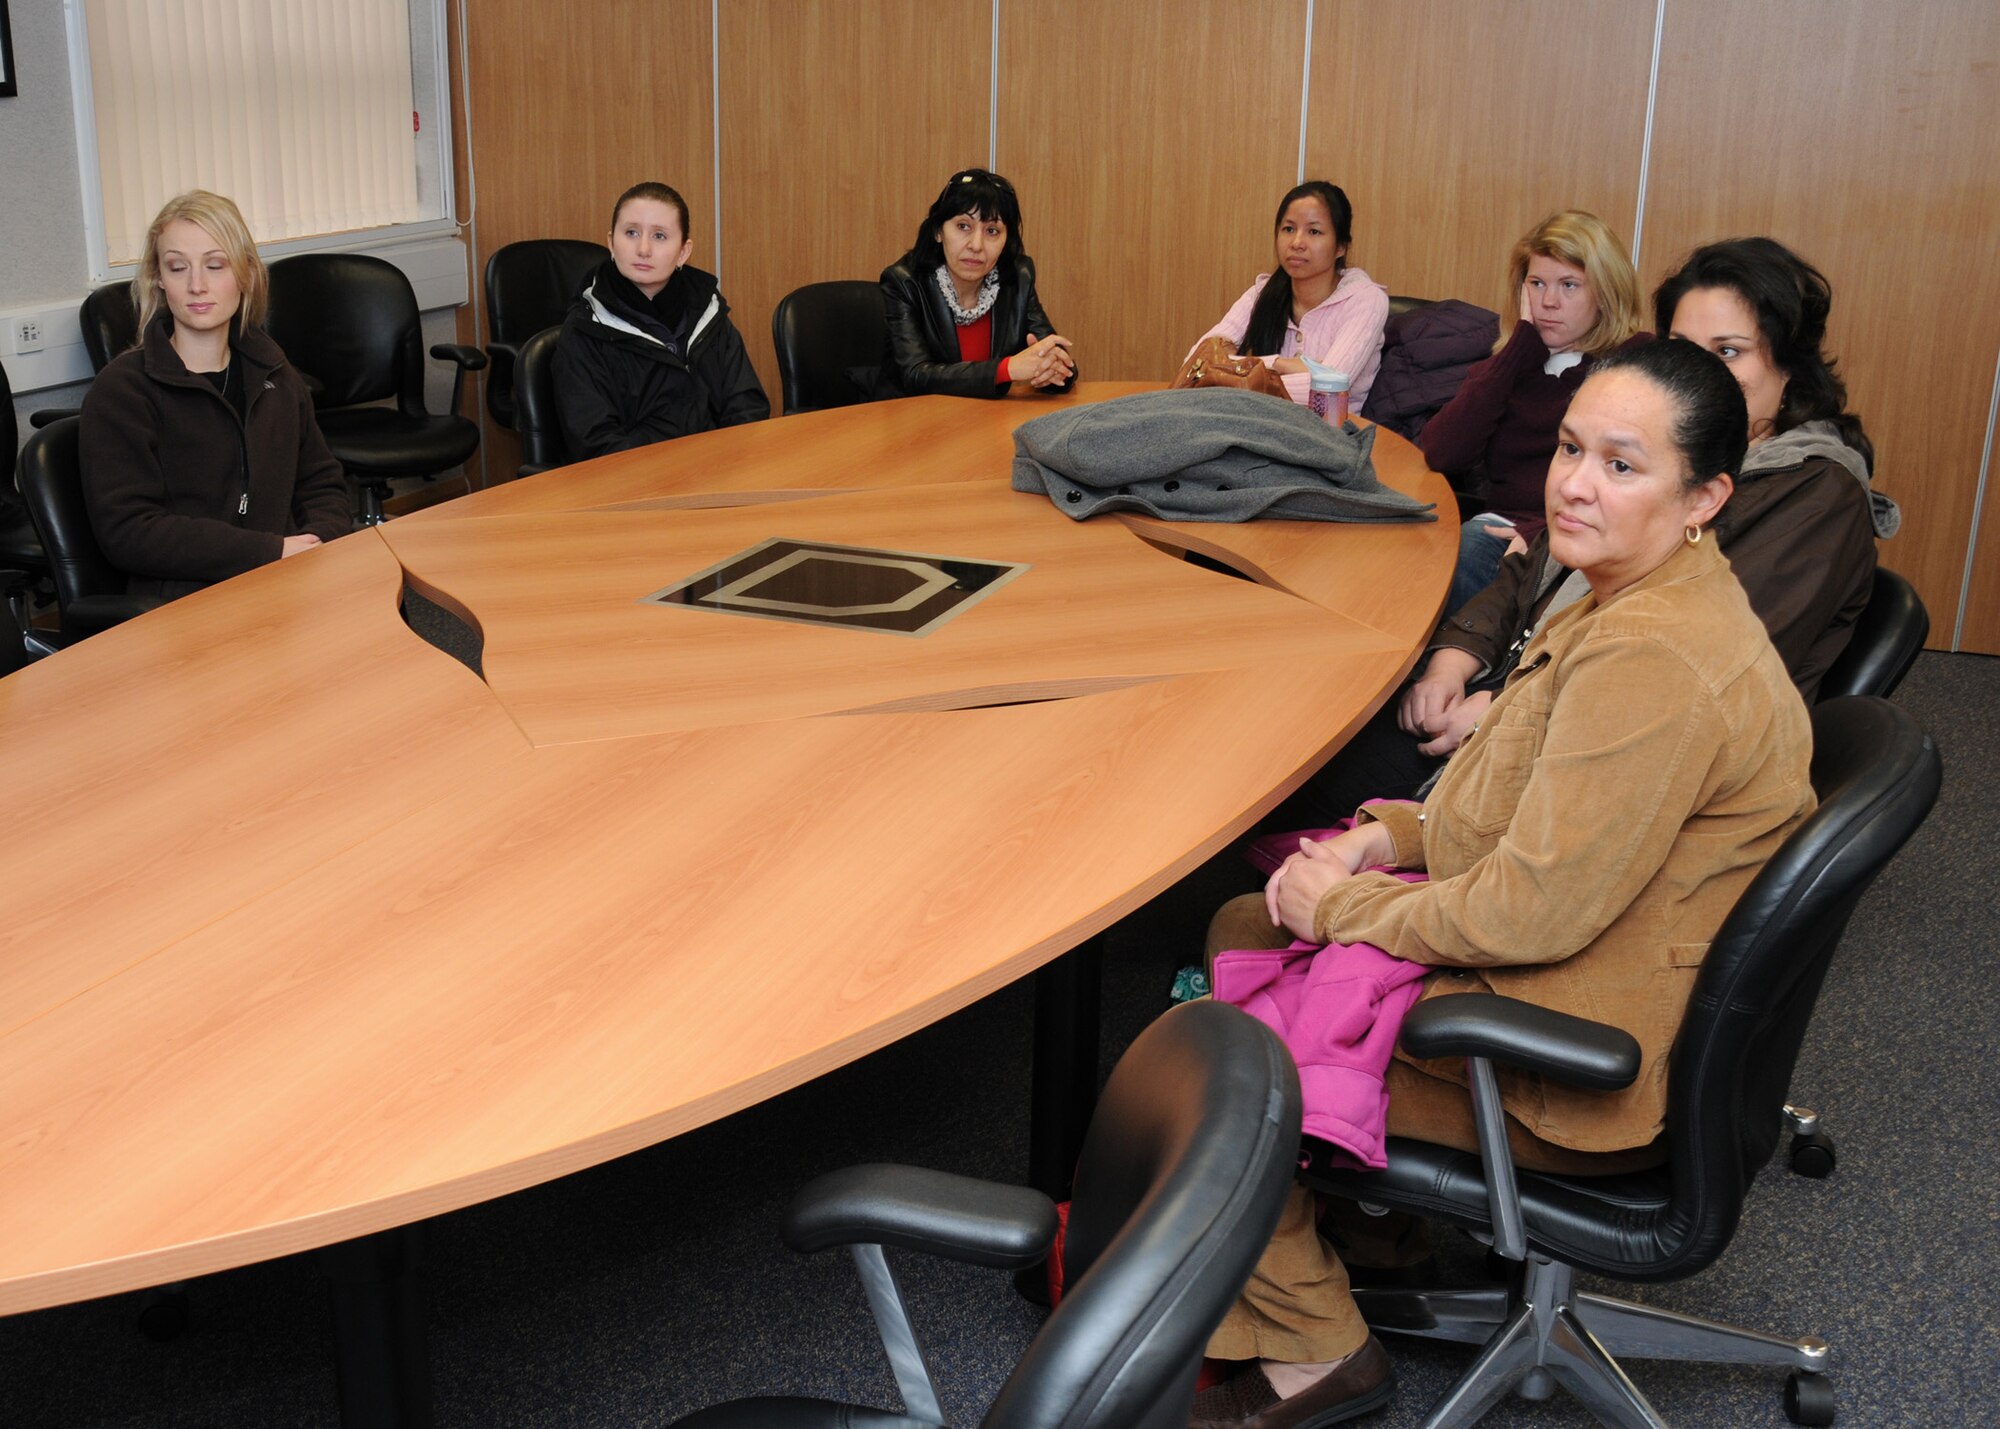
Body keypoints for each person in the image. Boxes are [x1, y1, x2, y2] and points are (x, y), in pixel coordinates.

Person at [1189, 340, 1815, 1428]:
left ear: (1705, 495)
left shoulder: (1653, 659)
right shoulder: (1619, 590)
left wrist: (1339, 907)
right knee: (1247, 918)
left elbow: (1532, 907)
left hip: (1572, 1060)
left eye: (1622, 466)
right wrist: (1372, 845)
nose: (1572, 480)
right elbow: (1493, 797)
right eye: (1571, 447)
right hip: (1584, 974)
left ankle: (1314, 1352)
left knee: (1228, 1065)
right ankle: (1374, 1225)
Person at [79, 190, 351, 601]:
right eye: (177, 267)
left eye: (215, 265)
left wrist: (316, 542)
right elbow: (130, 530)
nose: (197, 285)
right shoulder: (123, 390)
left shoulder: (275, 374)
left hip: (286, 582)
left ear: (245, 274)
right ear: (158, 279)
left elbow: (322, 483)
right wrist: (270, 551)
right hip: (182, 604)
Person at [1420, 211, 1647, 613]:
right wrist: (1520, 347)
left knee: (1464, 557)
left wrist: (1540, 532)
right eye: (1537, 283)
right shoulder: (1511, 363)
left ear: (1606, 293)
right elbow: (1440, 453)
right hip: (1498, 526)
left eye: (1569, 286)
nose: (1549, 302)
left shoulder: (1633, 364)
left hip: (1575, 533)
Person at [554, 181, 768, 459]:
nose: (643, 249)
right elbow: (598, 445)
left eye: (659, 236)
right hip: (635, 487)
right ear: (611, 243)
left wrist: (728, 467)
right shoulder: (585, 330)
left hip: (718, 474)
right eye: (631, 232)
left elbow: (747, 407)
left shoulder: (709, 315)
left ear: (683, 252)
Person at [1195, 182, 1388, 420]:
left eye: (1314, 231)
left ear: (1341, 247)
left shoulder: (1367, 301)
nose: (1297, 242)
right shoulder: (1263, 292)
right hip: (1258, 425)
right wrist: (1280, 363)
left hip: (1331, 438)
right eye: (1288, 229)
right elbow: (1198, 363)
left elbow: (1327, 392)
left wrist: (1239, 370)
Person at [877, 168, 1075, 398]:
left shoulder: (1018, 278)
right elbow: (916, 376)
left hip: (985, 421)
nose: (976, 245)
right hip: (912, 423)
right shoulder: (904, 282)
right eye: (963, 226)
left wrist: (1052, 372)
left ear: (1005, 241)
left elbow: (1056, 357)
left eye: (992, 230)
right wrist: (1007, 369)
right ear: (938, 231)